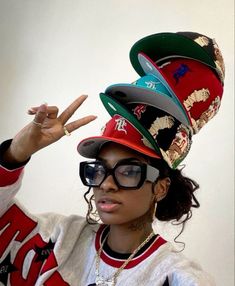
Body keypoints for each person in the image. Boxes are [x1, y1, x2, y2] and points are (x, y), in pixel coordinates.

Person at [0, 94, 215, 285]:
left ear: (160, 188)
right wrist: (15, 154)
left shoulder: (177, 277)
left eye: (129, 171)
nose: (106, 184)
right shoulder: (59, 237)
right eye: (99, 169)